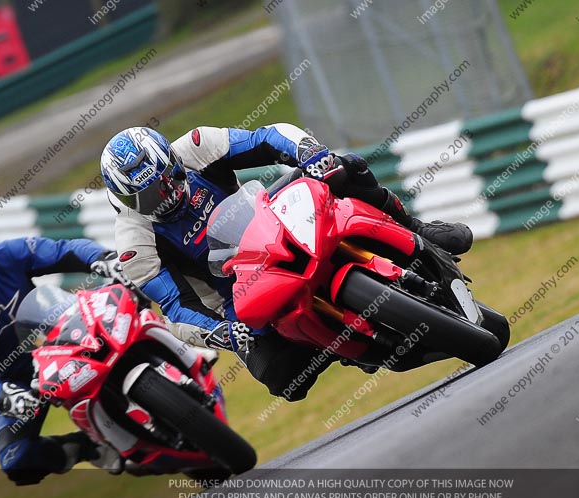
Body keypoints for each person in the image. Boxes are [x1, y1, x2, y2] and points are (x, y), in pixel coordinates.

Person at [100, 123, 473, 401]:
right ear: (125, 200)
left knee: (343, 167)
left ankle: (417, 229)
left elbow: (267, 138)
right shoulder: (134, 246)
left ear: (173, 161)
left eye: (166, 180)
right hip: (237, 291)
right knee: (283, 380)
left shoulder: (197, 145)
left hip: (271, 222)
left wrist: (310, 153)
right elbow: (176, 308)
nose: (165, 197)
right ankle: (336, 341)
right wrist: (223, 333)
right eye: (149, 197)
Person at [0, 218, 122, 485]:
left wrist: (103, 258)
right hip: (20, 384)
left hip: (67, 343)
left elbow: (65, 250)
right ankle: (87, 446)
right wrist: (4, 396)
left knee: (126, 317)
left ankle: (187, 367)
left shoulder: (7, 254)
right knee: (17, 461)